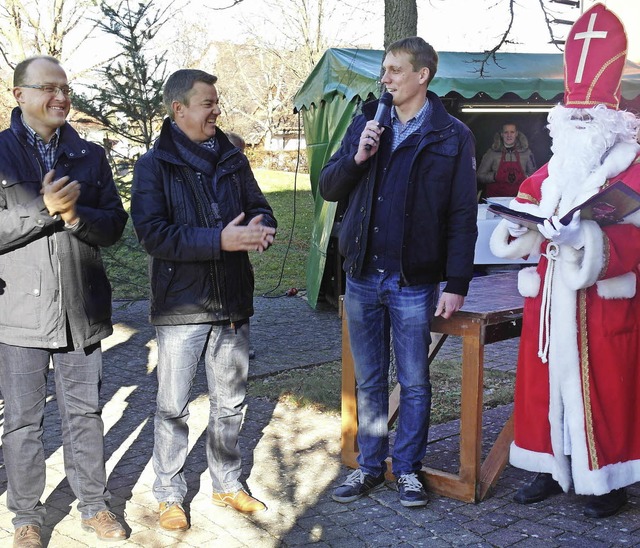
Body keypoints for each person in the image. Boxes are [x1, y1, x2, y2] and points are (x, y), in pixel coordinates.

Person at [489, 3, 640, 519]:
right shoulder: (555, 168)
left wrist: (589, 236)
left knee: (608, 389)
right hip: (551, 297)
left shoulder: (632, 168)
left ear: (609, 124)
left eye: (586, 117)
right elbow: (525, 207)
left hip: (601, 300)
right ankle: (547, 467)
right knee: (541, 385)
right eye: (571, 116)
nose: (577, 123)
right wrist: (517, 224)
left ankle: (608, 479)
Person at [319, 37, 478, 508]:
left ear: (422, 75)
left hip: (415, 280)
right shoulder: (368, 122)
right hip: (363, 273)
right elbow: (329, 186)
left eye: (393, 70)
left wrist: (458, 282)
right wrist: (358, 157)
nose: (384, 78)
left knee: (413, 381)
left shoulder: (452, 135)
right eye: (384, 70)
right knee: (368, 380)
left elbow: (462, 214)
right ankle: (370, 467)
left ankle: (407, 469)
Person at [131, 69, 277, 531]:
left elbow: (260, 204)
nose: (217, 109)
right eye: (208, 103)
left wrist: (261, 226)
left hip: (232, 301)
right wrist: (222, 240)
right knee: (172, 405)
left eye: (216, 102)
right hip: (180, 307)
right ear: (180, 110)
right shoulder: (154, 165)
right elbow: (153, 235)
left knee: (230, 402)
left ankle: (227, 482)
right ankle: (170, 493)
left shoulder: (233, 157)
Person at [0, 56, 128, 547]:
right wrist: (44, 212)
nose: (60, 98)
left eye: (66, 89)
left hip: (81, 310)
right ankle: (27, 518)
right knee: (24, 422)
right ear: (20, 95)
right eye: (48, 88)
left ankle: (93, 507)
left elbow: (114, 225)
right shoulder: (1, 153)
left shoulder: (89, 157)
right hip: (19, 316)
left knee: (84, 415)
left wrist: (75, 215)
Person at [477, 122, 536, 198]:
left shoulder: (527, 153)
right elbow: (479, 176)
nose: (509, 135)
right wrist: (495, 176)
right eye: (506, 132)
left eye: (512, 132)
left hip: (519, 199)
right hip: (496, 199)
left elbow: (534, 175)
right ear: (502, 134)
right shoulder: (492, 153)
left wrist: (525, 176)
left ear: (516, 134)